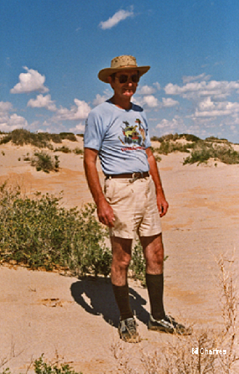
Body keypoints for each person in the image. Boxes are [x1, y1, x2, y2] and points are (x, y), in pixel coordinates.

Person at [83, 55, 191, 342]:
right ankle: (126, 318)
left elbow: (149, 154)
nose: (129, 83)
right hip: (119, 191)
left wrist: (159, 190)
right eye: (123, 78)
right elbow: (90, 159)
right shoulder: (99, 114)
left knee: (155, 253)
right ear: (111, 81)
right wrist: (100, 202)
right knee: (123, 258)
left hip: (144, 188)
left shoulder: (140, 113)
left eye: (134, 78)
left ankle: (157, 317)